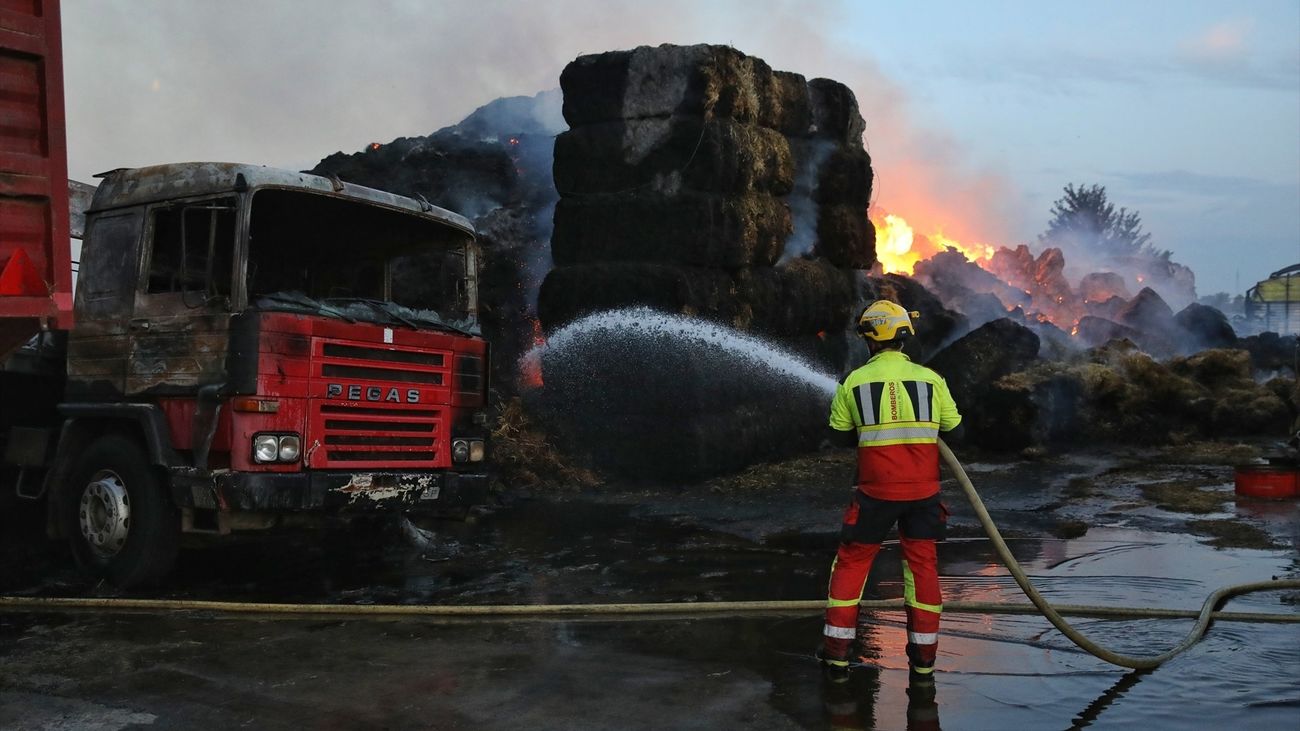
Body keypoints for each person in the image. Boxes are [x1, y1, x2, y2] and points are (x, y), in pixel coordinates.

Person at [817, 300, 962, 691]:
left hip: (874, 494)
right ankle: (924, 665)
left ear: (869, 339)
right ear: (903, 335)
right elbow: (956, 429)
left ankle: (836, 657)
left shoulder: (854, 382)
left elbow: (838, 434)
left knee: (852, 565)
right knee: (922, 569)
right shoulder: (931, 380)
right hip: (923, 494)